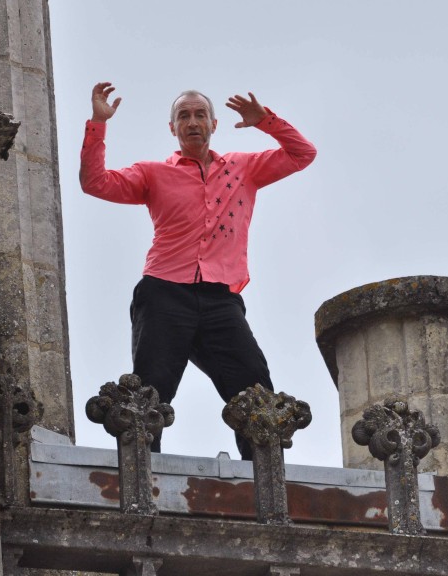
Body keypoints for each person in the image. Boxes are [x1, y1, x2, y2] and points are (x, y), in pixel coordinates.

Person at [80, 82, 316, 459]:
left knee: (255, 391)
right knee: (148, 397)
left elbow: (303, 153)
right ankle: (143, 478)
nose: (193, 121)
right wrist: (98, 123)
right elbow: (95, 183)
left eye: (200, 114)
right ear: (172, 128)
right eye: (183, 116)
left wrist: (265, 121)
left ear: (214, 124)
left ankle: (266, 484)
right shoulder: (153, 173)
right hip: (163, 294)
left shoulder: (244, 168)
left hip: (221, 299)